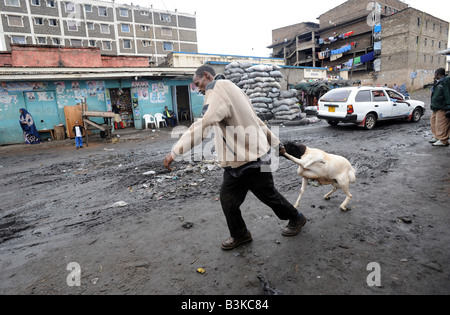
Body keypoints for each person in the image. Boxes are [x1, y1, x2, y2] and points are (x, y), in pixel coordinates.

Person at [163, 65, 306, 250]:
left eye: (198, 84)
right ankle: (241, 235)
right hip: (236, 162)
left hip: (251, 159)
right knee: (228, 200)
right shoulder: (233, 88)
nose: (198, 89)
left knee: (269, 196)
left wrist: (175, 151)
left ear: (207, 75)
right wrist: (276, 143)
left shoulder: (216, 89)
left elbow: (202, 126)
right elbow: (257, 121)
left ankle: (296, 218)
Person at [429, 68, 450, 147]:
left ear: (437, 74)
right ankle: (437, 136)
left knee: (442, 123)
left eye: (435, 73)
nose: (434, 75)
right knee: (434, 122)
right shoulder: (438, 82)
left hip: (442, 106)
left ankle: (443, 140)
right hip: (436, 107)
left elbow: (448, 93)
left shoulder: (446, 81)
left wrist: (449, 106)